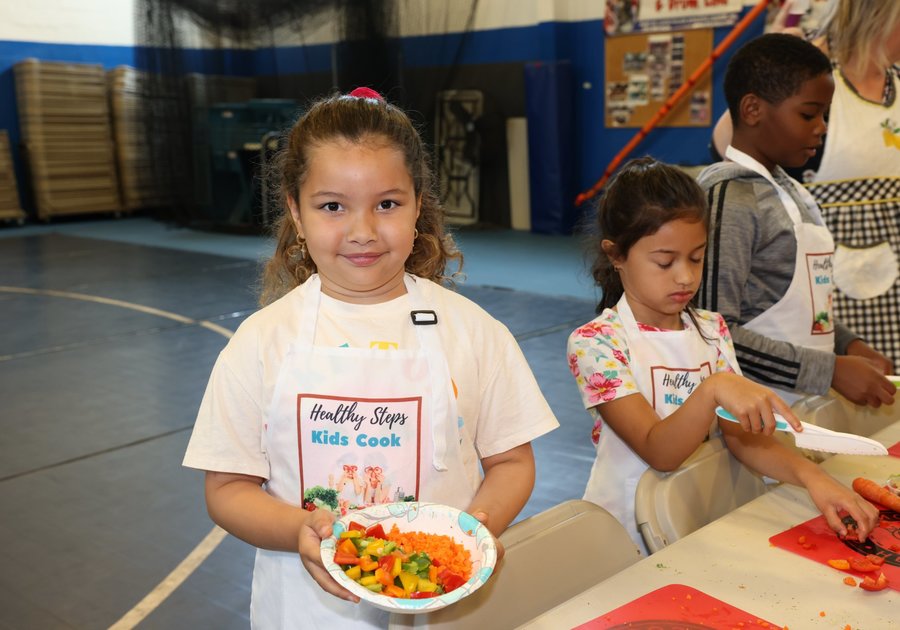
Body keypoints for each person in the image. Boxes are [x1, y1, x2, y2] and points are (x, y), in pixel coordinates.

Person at [182, 87, 559, 628]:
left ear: (418, 204)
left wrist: (475, 531)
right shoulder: (261, 342)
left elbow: (511, 462)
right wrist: (297, 531)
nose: (362, 231)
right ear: (295, 209)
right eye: (332, 206)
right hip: (307, 613)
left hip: (445, 605)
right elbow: (226, 488)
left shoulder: (476, 333)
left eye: (387, 204)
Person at [567, 156, 879, 556]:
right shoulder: (597, 344)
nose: (685, 276)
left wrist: (815, 478)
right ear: (616, 255)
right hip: (626, 534)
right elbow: (659, 451)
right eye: (665, 261)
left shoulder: (711, 329)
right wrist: (714, 388)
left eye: (696, 258)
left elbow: (742, 439)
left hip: (693, 517)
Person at [696, 33, 895, 408]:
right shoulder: (731, 199)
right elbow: (711, 332)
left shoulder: (794, 192)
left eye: (825, 114)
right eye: (808, 114)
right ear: (753, 110)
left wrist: (846, 343)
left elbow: (803, 310)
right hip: (748, 419)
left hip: (801, 409)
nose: (821, 127)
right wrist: (830, 369)